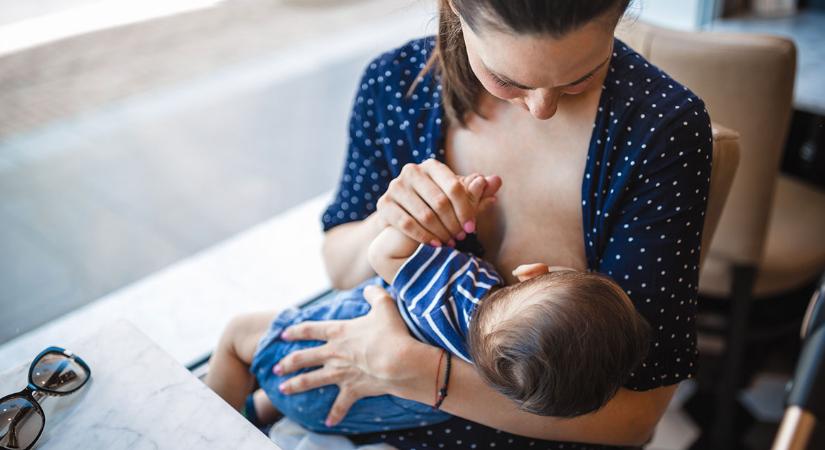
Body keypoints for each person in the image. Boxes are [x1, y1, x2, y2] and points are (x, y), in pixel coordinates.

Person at [257, 0, 713, 448]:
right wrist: (390, 218)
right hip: (352, 410)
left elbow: (636, 418)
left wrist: (417, 371)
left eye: (580, 77)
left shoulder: (661, 130)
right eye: (508, 80)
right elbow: (339, 270)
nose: (542, 109)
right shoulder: (397, 86)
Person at [205, 175, 651, 434]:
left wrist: (430, 224)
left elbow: (384, 253)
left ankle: (207, 432)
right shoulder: (494, 380)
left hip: (315, 358)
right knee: (282, 392)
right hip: (344, 418)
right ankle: (261, 410)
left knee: (237, 335)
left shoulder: (462, 287)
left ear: (532, 271)